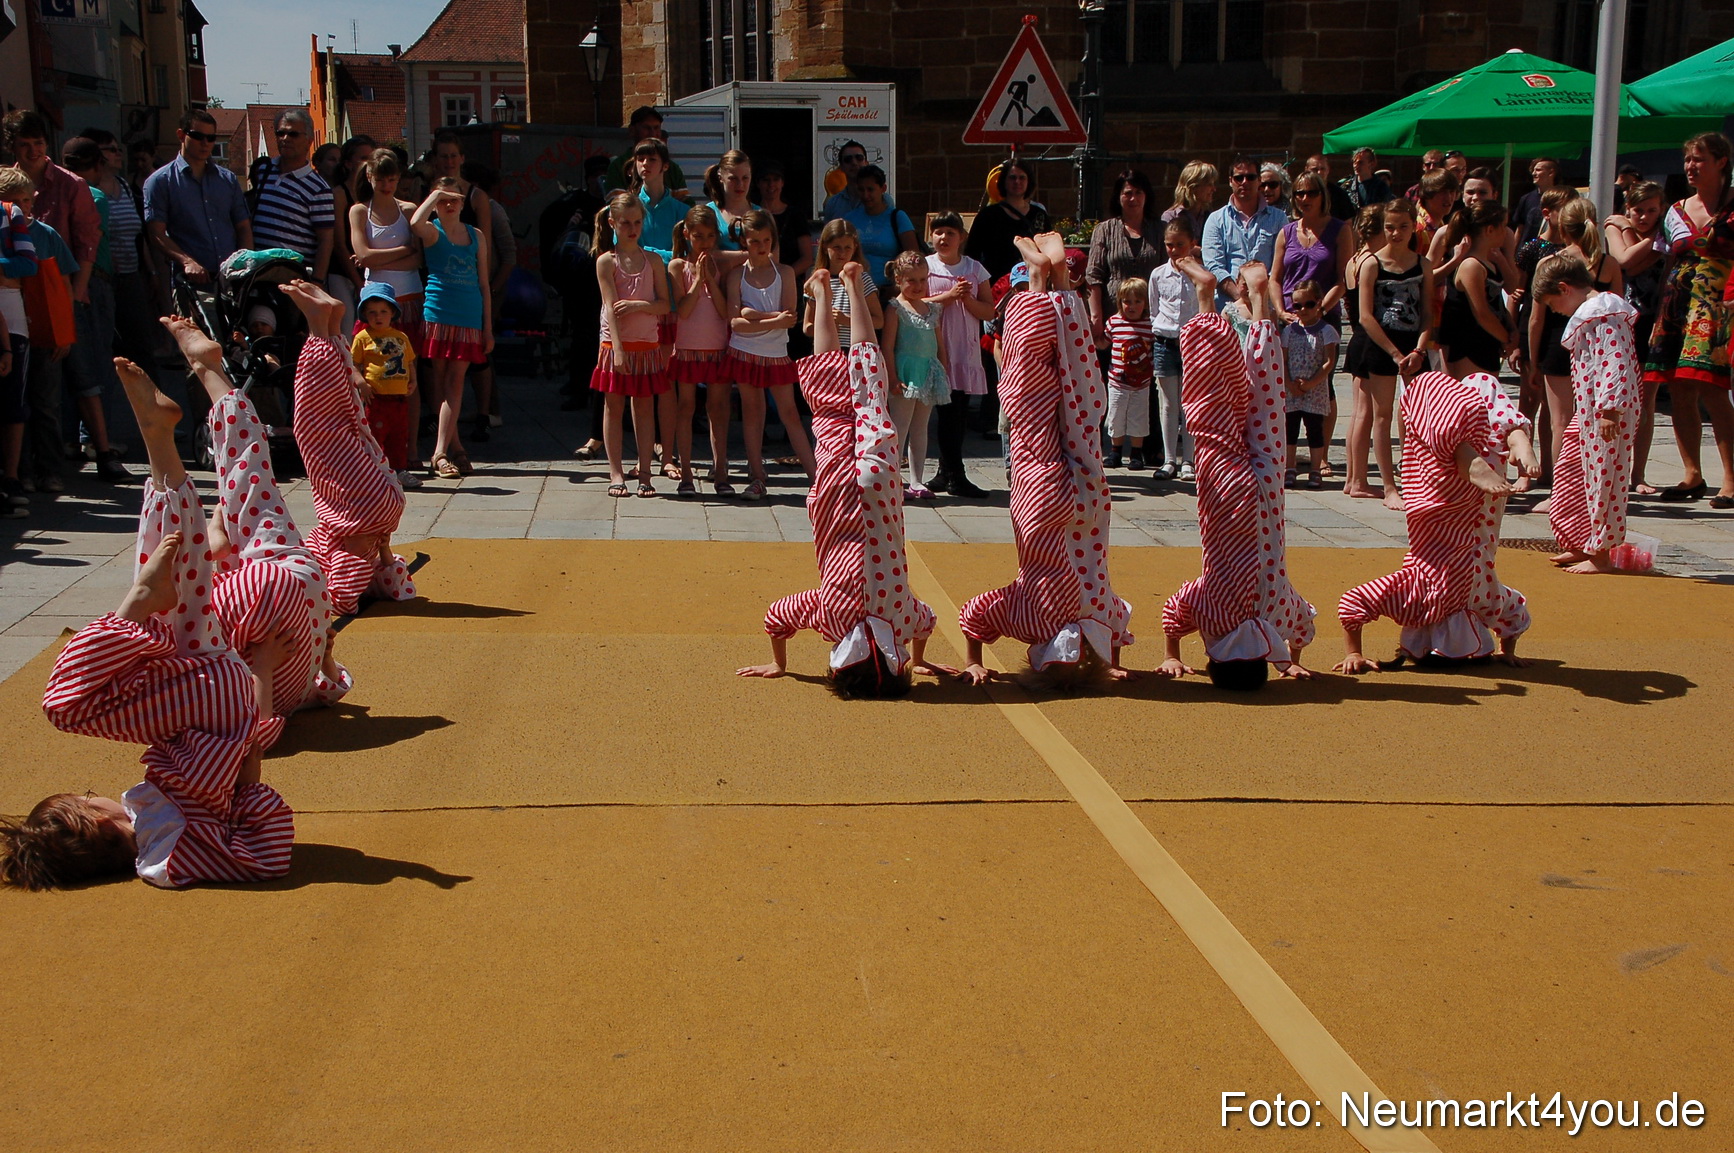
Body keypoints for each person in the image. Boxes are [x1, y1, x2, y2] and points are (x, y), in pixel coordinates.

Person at [1, 363, 295, 890]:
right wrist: (248, 784)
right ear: (95, 819)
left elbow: (252, 753)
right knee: (63, 707)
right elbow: (264, 856)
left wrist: (258, 682)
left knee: (180, 590)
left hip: (212, 699)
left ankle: (160, 444)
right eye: (90, 796)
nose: (100, 795)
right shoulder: (163, 855)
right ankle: (137, 603)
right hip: (212, 713)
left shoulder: (156, 826)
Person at [738, 261, 944, 692]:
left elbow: (926, 622)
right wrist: (779, 662)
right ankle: (822, 293)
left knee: (868, 391)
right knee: (830, 404)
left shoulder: (899, 613)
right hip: (834, 497)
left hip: (879, 485)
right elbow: (777, 617)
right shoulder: (830, 613)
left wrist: (921, 658)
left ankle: (849, 285)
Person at [959, 232, 1133, 687]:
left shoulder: (1099, 610)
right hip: (1041, 503)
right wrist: (975, 660)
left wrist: (1112, 661)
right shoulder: (1031, 620)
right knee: (1028, 395)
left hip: (1090, 500)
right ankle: (1038, 284)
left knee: (1082, 394)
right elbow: (973, 616)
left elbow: (1118, 625)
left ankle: (1060, 285)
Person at [161, 314, 350, 717]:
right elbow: (258, 730)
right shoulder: (285, 697)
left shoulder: (288, 695)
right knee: (172, 563)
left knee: (249, 467)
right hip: (277, 595)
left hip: (301, 586)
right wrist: (320, 655)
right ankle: (166, 437)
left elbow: (334, 688)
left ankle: (207, 374)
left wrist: (322, 652)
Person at [1159, 259, 1316, 687]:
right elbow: (1173, 613)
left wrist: (1290, 661)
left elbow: (1301, 627)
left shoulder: (1274, 608)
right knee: (1211, 411)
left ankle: (1261, 306)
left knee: (1267, 400)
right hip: (1225, 496)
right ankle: (1207, 304)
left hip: (1267, 492)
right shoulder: (1212, 608)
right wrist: (1172, 655)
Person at [1336, 371, 1529, 673]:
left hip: (1451, 504)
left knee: (1449, 406)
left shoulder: (1431, 595)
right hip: (1461, 509)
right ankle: (1508, 438)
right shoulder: (1476, 592)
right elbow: (1512, 612)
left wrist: (1354, 654)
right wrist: (1507, 650)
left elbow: (1353, 604)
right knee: (1471, 386)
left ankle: (1500, 442)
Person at [279, 278, 416, 614]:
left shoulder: (348, 545)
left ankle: (329, 327)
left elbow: (397, 577)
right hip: (363, 505)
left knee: (345, 415)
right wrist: (336, 594)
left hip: (378, 497)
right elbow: (342, 601)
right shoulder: (353, 558)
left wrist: (384, 552)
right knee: (316, 428)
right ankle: (318, 326)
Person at [1533, 252, 1641, 574]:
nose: (1555, 311)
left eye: (1553, 304)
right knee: (1572, 470)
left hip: (1607, 411)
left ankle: (1601, 552)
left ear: (1564, 289)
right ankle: (1584, 540)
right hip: (1592, 410)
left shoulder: (1602, 315)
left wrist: (1610, 409)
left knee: (1603, 478)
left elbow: (1615, 362)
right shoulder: (1595, 315)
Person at [1644, 132, 1734, 507]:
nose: (1690, 167)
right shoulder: (1676, 209)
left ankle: (1731, 479)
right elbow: (1667, 261)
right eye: (1687, 160)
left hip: (1718, 305)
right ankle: (1692, 474)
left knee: (1713, 389)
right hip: (1678, 306)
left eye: (1698, 159)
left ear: (1721, 162)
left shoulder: (1733, 207)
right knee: (1678, 389)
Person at [55, 138, 133, 484]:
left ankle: (71, 438)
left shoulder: (56, 193)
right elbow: (94, 244)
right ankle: (97, 440)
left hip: (58, 282)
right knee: (96, 363)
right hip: (93, 283)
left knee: (66, 362)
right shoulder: (96, 197)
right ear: (97, 165)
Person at [1346, 199, 1432, 510]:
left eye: (1403, 227)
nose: (1396, 233)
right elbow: (1366, 315)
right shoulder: (1372, 263)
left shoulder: (1423, 265)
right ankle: (1389, 485)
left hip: (1414, 346)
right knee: (1381, 415)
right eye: (1390, 227)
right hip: (1381, 344)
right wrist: (1396, 354)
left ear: (1414, 227)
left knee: (1415, 415)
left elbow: (1428, 313)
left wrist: (1420, 349)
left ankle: (1413, 476)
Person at [723, 209, 816, 500]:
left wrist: (755, 316)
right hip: (745, 352)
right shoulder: (737, 275)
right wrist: (771, 319)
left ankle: (816, 477)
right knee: (752, 413)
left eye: (766, 240)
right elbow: (734, 322)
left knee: (789, 412)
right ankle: (757, 476)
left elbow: (790, 317)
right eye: (754, 241)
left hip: (776, 354)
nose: (761, 246)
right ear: (744, 243)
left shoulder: (785, 272)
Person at [589, 190, 672, 498]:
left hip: (647, 343)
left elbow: (664, 305)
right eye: (625, 223)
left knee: (645, 407)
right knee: (613, 406)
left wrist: (639, 305)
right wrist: (619, 348)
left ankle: (646, 473)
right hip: (615, 344)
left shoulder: (653, 260)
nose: (632, 228)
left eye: (637, 222)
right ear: (612, 223)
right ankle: (615, 473)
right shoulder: (605, 261)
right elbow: (610, 306)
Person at [1531, 193, 1617, 487]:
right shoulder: (1608, 265)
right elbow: (1616, 310)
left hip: (1557, 346)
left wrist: (1532, 361)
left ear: (1563, 229)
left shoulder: (1551, 263)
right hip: (1600, 350)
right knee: (1592, 422)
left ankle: (1562, 489)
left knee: (1561, 423)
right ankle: (1590, 483)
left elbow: (1536, 319)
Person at [410, 178, 493, 480]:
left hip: (468, 315)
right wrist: (434, 195)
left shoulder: (477, 235)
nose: (449, 204)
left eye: (454, 198)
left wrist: (488, 327)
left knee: (456, 383)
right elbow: (416, 221)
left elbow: (484, 283)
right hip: (438, 313)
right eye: (444, 200)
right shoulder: (433, 231)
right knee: (442, 382)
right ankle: (454, 448)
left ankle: (440, 452)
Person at [348, 149, 425, 467]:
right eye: (381, 179)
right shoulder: (358, 211)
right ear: (370, 177)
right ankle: (369, 451)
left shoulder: (408, 209)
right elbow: (363, 254)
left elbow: (419, 258)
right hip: (374, 303)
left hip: (407, 300)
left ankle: (411, 450)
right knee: (368, 373)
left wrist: (382, 256)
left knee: (410, 376)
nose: (388, 185)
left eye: (393, 179)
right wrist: (403, 249)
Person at [5, 172, 77, 504]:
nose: (22, 207)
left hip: (46, 330)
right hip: (16, 326)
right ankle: (20, 471)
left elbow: (63, 286)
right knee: (15, 402)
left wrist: (65, 331)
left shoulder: (45, 235)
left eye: (27, 200)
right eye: (15, 201)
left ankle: (49, 469)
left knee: (46, 402)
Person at [78, 127, 158, 385]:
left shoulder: (123, 185)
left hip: (131, 276)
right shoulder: (86, 190)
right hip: (101, 279)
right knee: (106, 350)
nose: (118, 154)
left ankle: (154, 409)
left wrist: (151, 272)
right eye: (111, 149)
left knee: (142, 346)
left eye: (118, 148)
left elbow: (139, 234)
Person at [1603, 180, 1667, 495]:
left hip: (1655, 321)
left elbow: (1636, 258)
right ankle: (1613, 468)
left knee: (1646, 402)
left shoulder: (1653, 236)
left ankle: (1637, 474)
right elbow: (1625, 261)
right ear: (1628, 209)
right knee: (1618, 400)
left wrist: (1644, 237)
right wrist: (1656, 236)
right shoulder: (1616, 226)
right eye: (1638, 211)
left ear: (1661, 209)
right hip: (1625, 325)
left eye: (1652, 211)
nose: (1644, 217)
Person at [923, 212, 993, 497]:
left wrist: (967, 299)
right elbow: (912, 302)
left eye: (950, 232)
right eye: (938, 232)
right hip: (934, 348)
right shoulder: (924, 266)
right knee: (940, 413)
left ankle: (951, 471)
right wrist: (948, 297)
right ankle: (949, 471)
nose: (943, 237)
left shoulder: (975, 269)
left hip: (963, 351)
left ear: (961, 237)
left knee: (957, 412)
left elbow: (989, 311)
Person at [144, 109, 252, 289]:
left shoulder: (227, 179)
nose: (205, 143)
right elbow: (157, 233)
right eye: (197, 136)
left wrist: (246, 263)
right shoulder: (161, 181)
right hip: (191, 283)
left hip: (231, 280)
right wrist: (187, 262)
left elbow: (243, 226)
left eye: (211, 138)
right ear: (181, 135)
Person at [670, 204, 732, 496]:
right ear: (686, 235)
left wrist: (711, 280)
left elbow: (723, 311)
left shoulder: (720, 266)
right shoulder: (677, 266)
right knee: (685, 407)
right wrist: (697, 281)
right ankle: (685, 473)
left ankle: (721, 471)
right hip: (687, 348)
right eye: (698, 236)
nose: (704, 242)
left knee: (718, 409)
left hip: (717, 346)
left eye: (709, 236)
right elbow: (682, 310)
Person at [881, 250, 950, 499]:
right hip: (904, 373)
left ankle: (917, 480)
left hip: (927, 372)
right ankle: (893, 478)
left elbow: (939, 343)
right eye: (911, 280)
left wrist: (943, 369)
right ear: (898, 279)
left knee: (921, 427)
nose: (918, 286)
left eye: (922, 280)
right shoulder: (895, 308)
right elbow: (887, 346)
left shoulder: (931, 309)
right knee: (900, 427)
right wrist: (891, 377)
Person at [252, 109, 334, 283]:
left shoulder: (319, 188)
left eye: (293, 134)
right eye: (280, 133)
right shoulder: (264, 171)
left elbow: (326, 240)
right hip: (257, 273)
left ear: (309, 141)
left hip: (293, 276)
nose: (285, 139)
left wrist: (318, 280)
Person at [1437, 199, 1515, 378]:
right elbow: (1482, 312)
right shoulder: (1471, 266)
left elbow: (1496, 301)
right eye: (1503, 226)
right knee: (1471, 400)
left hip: (1488, 340)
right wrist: (1505, 338)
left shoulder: (1491, 263)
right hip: (1469, 343)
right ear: (1489, 230)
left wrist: (1512, 329)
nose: (1506, 232)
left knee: (1487, 401)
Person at [1148, 218, 1201, 481]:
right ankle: (1169, 459)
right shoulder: (1158, 274)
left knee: (1189, 403)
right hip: (1165, 341)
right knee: (1168, 402)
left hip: (1191, 343)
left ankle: (1189, 459)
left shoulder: (1199, 274)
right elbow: (1154, 309)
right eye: (1169, 245)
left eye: (1180, 244)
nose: (1174, 250)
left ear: (1192, 244)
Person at [350, 282, 419, 485]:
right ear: (364, 315)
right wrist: (361, 382)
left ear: (392, 313)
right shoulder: (363, 337)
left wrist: (413, 381)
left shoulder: (401, 337)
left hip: (398, 398)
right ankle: (373, 471)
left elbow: (409, 362)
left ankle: (399, 469)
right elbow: (353, 364)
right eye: (372, 312)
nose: (378, 317)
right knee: (375, 435)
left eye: (383, 311)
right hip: (376, 399)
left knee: (399, 436)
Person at [1085, 169, 1162, 351]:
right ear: (1118, 197)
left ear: (1146, 196)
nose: (1133, 199)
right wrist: (1096, 317)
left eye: (1138, 193)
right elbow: (1093, 276)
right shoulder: (1104, 230)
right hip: (1113, 321)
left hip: (1150, 322)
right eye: (1128, 193)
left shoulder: (1160, 230)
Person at [1202, 157, 1287, 310]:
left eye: (1250, 177)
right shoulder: (1215, 220)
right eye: (1239, 178)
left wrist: (1258, 297)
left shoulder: (1278, 218)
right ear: (1230, 181)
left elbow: (1280, 265)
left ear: (1259, 180)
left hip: (1267, 307)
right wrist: (1241, 299)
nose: (1244, 182)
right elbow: (1213, 266)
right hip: (1228, 308)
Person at [1281, 280, 1339, 489]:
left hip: (1315, 390)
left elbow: (1329, 361)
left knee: (1315, 430)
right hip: (1292, 390)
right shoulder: (1289, 331)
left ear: (1318, 303)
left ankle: (1315, 469)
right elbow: (1283, 360)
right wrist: (1289, 383)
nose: (1303, 310)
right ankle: (1289, 467)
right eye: (1297, 306)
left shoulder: (1327, 331)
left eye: (1309, 305)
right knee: (1290, 430)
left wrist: (1312, 383)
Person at [0, 189, 33, 515]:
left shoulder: (10, 213)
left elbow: (27, 262)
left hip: (9, 321)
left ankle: (10, 479)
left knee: (12, 404)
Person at [326, 135, 377, 335]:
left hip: (369, 272)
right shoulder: (339, 193)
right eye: (363, 158)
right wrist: (358, 282)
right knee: (346, 327)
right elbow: (339, 243)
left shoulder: (375, 194)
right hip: (341, 270)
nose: (369, 163)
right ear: (348, 163)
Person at [966, 159, 1048, 281]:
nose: (1017, 182)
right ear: (1003, 181)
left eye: (1022, 178)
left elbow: (1047, 249)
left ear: (1028, 181)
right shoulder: (987, 215)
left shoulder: (1039, 215)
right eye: (1012, 177)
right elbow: (972, 254)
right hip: (995, 286)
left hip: (1031, 283)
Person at [1104, 278, 1154, 469]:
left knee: (1138, 417)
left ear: (1145, 303)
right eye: (1127, 301)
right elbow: (1104, 343)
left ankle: (1136, 453)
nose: (1132, 306)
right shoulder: (1114, 322)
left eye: (1137, 301)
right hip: (1117, 380)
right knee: (1116, 416)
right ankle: (1115, 452)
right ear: (1120, 302)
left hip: (1141, 382)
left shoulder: (1149, 325)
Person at [843, 165, 916, 282]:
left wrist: (896, 288)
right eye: (861, 190)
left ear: (883, 188)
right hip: (856, 289)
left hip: (888, 290)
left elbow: (913, 257)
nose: (865, 195)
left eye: (870, 189)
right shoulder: (849, 219)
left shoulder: (898, 217)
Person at [604, 106, 690, 199]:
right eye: (646, 128)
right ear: (632, 130)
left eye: (656, 128)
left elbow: (686, 205)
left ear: (665, 167)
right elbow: (617, 208)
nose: (652, 133)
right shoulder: (618, 166)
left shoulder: (672, 168)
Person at [625, 138, 686, 263]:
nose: (645, 163)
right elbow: (624, 250)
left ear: (665, 166)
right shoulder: (626, 209)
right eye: (640, 159)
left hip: (671, 280)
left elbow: (685, 254)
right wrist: (666, 256)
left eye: (652, 159)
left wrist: (645, 253)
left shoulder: (682, 211)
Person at [756, 160, 813, 279]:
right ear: (758, 184)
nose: (771, 184)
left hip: (790, 283)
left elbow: (807, 258)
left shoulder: (796, 215)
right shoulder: (752, 214)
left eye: (776, 179)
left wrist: (783, 277)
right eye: (766, 180)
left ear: (782, 183)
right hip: (758, 281)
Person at [704, 150, 760, 253]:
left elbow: (772, 258)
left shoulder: (761, 214)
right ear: (721, 178)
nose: (740, 185)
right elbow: (706, 255)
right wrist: (752, 256)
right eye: (733, 179)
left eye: (745, 178)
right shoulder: (708, 213)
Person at [819, 140, 883, 223]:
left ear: (866, 163)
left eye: (859, 158)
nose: (854, 163)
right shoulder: (832, 203)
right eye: (848, 159)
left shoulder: (883, 200)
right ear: (841, 167)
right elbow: (828, 234)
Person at [1161, 161, 1217, 242]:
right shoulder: (1171, 217)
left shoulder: (1211, 216)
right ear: (1193, 187)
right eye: (1209, 184)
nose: (1214, 189)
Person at [1512, 157, 1559, 245]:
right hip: (1525, 252)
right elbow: (1520, 229)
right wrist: (1513, 254)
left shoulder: (1561, 199)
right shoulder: (1526, 199)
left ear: (1551, 173)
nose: (1534, 173)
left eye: (1538, 170)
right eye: (1533, 170)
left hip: (1551, 251)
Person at [1339, 148, 1391, 214]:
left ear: (1372, 164)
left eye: (1360, 162)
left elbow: (1385, 211)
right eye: (1354, 162)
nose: (1356, 166)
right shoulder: (1347, 187)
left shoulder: (1381, 187)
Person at [1305, 154, 1355, 221]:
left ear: (1328, 170)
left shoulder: (1339, 194)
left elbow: (1348, 222)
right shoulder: (1301, 193)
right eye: (1315, 169)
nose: (1319, 172)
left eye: (1322, 169)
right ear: (1306, 170)